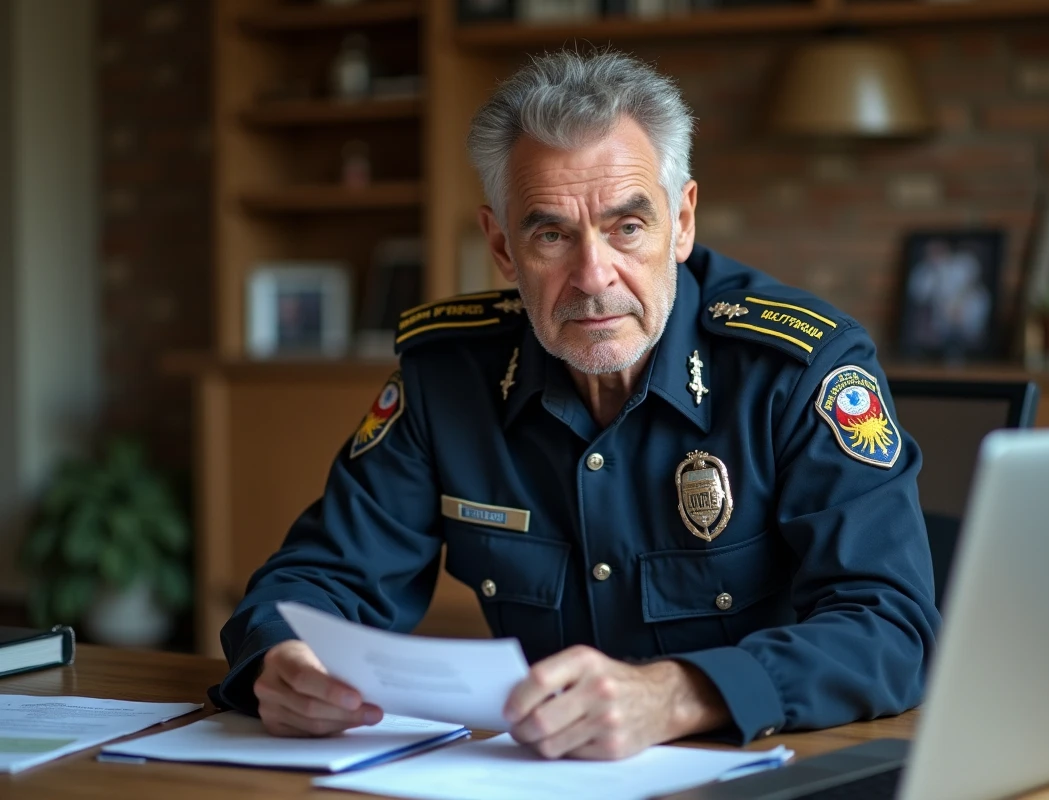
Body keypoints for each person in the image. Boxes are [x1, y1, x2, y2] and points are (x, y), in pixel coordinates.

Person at [212, 51, 940, 760]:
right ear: (502, 247)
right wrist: (283, 658)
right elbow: (321, 576)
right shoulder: (450, 375)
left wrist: (679, 694)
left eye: (628, 227)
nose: (594, 276)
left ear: (682, 222)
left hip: (758, 772)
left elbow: (891, 628)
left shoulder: (797, 370)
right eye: (552, 234)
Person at [905, 238, 992, 356]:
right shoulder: (927, 272)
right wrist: (931, 267)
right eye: (931, 250)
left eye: (937, 247)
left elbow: (972, 282)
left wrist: (959, 304)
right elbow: (918, 294)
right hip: (942, 325)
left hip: (968, 309)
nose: (934, 251)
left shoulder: (964, 261)